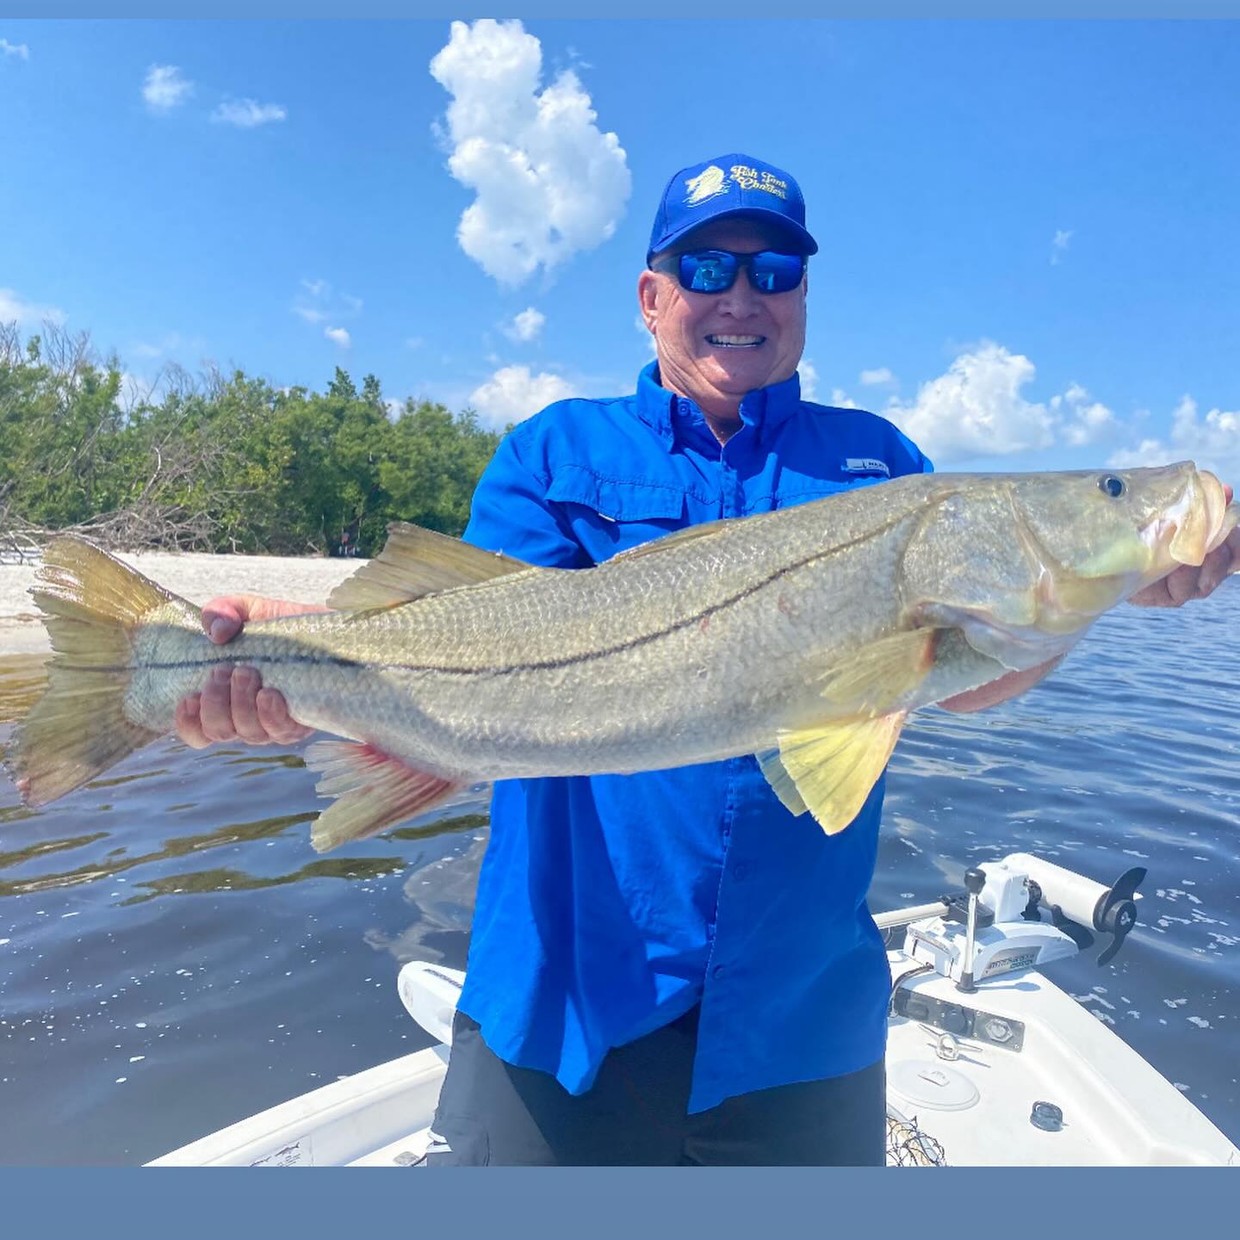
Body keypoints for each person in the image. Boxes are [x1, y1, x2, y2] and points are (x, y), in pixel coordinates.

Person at [175, 153, 1239, 1165]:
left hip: (799, 1030)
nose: (741, 295)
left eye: (772, 272)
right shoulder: (555, 450)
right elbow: (467, 638)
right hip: (566, 1004)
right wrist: (284, 649)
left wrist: (1098, 588)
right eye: (704, 268)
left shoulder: (881, 465)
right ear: (651, 297)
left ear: (802, 297)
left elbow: (960, 679)